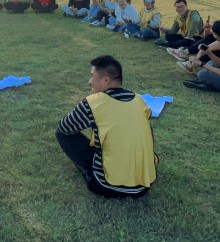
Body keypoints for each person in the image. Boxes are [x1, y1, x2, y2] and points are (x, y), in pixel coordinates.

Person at [56, 55, 157, 198]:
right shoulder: (138, 100)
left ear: (105, 80)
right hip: (144, 186)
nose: (90, 82)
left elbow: (64, 127)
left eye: (92, 76)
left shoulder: (93, 103)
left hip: (106, 185)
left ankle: (94, 172)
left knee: (61, 134)